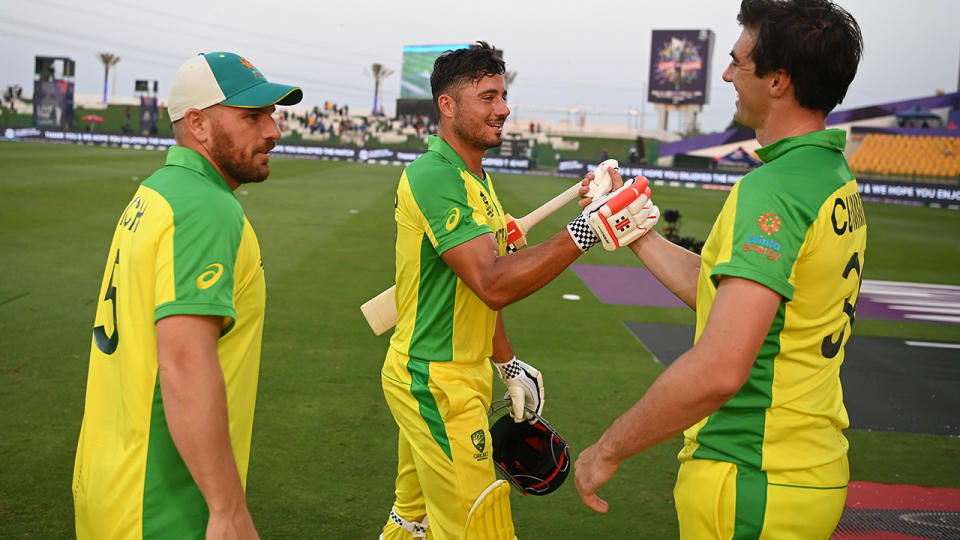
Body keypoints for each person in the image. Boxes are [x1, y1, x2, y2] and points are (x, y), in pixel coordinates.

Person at [574, 1, 866, 538]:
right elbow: (728, 298)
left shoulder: (773, 191)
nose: (727, 74)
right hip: (804, 468)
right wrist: (635, 231)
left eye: (738, 62)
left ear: (779, 80)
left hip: (752, 476)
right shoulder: (828, 173)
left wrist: (607, 449)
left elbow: (719, 368)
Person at [379, 41, 655, 540]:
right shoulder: (435, 176)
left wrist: (505, 363)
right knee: (481, 525)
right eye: (487, 97)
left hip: (455, 373)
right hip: (434, 382)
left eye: (502, 95)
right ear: (447, 104)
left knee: (412, 521)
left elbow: (479, 284)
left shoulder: (474, 177)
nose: (503, 108)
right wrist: (586, 230)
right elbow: (491, 284)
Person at [73, 52, 302, 540]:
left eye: (272, 115)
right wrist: (227, 508)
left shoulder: (158, 192)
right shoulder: (204, 208)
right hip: (161, 502)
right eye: (252, 117)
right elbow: (184, 363)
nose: (273, 131)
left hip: (112, 482)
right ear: (197, 124)